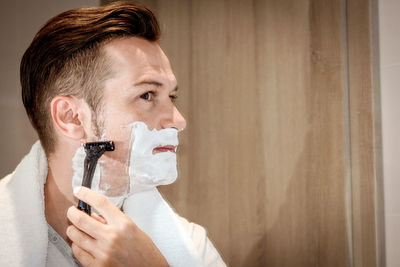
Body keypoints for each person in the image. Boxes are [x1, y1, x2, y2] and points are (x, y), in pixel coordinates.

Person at [0, 2, 226, 266]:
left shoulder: (194, 248)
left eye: (171, 96)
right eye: (147, 95)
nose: (179, 120)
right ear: (71, 117)